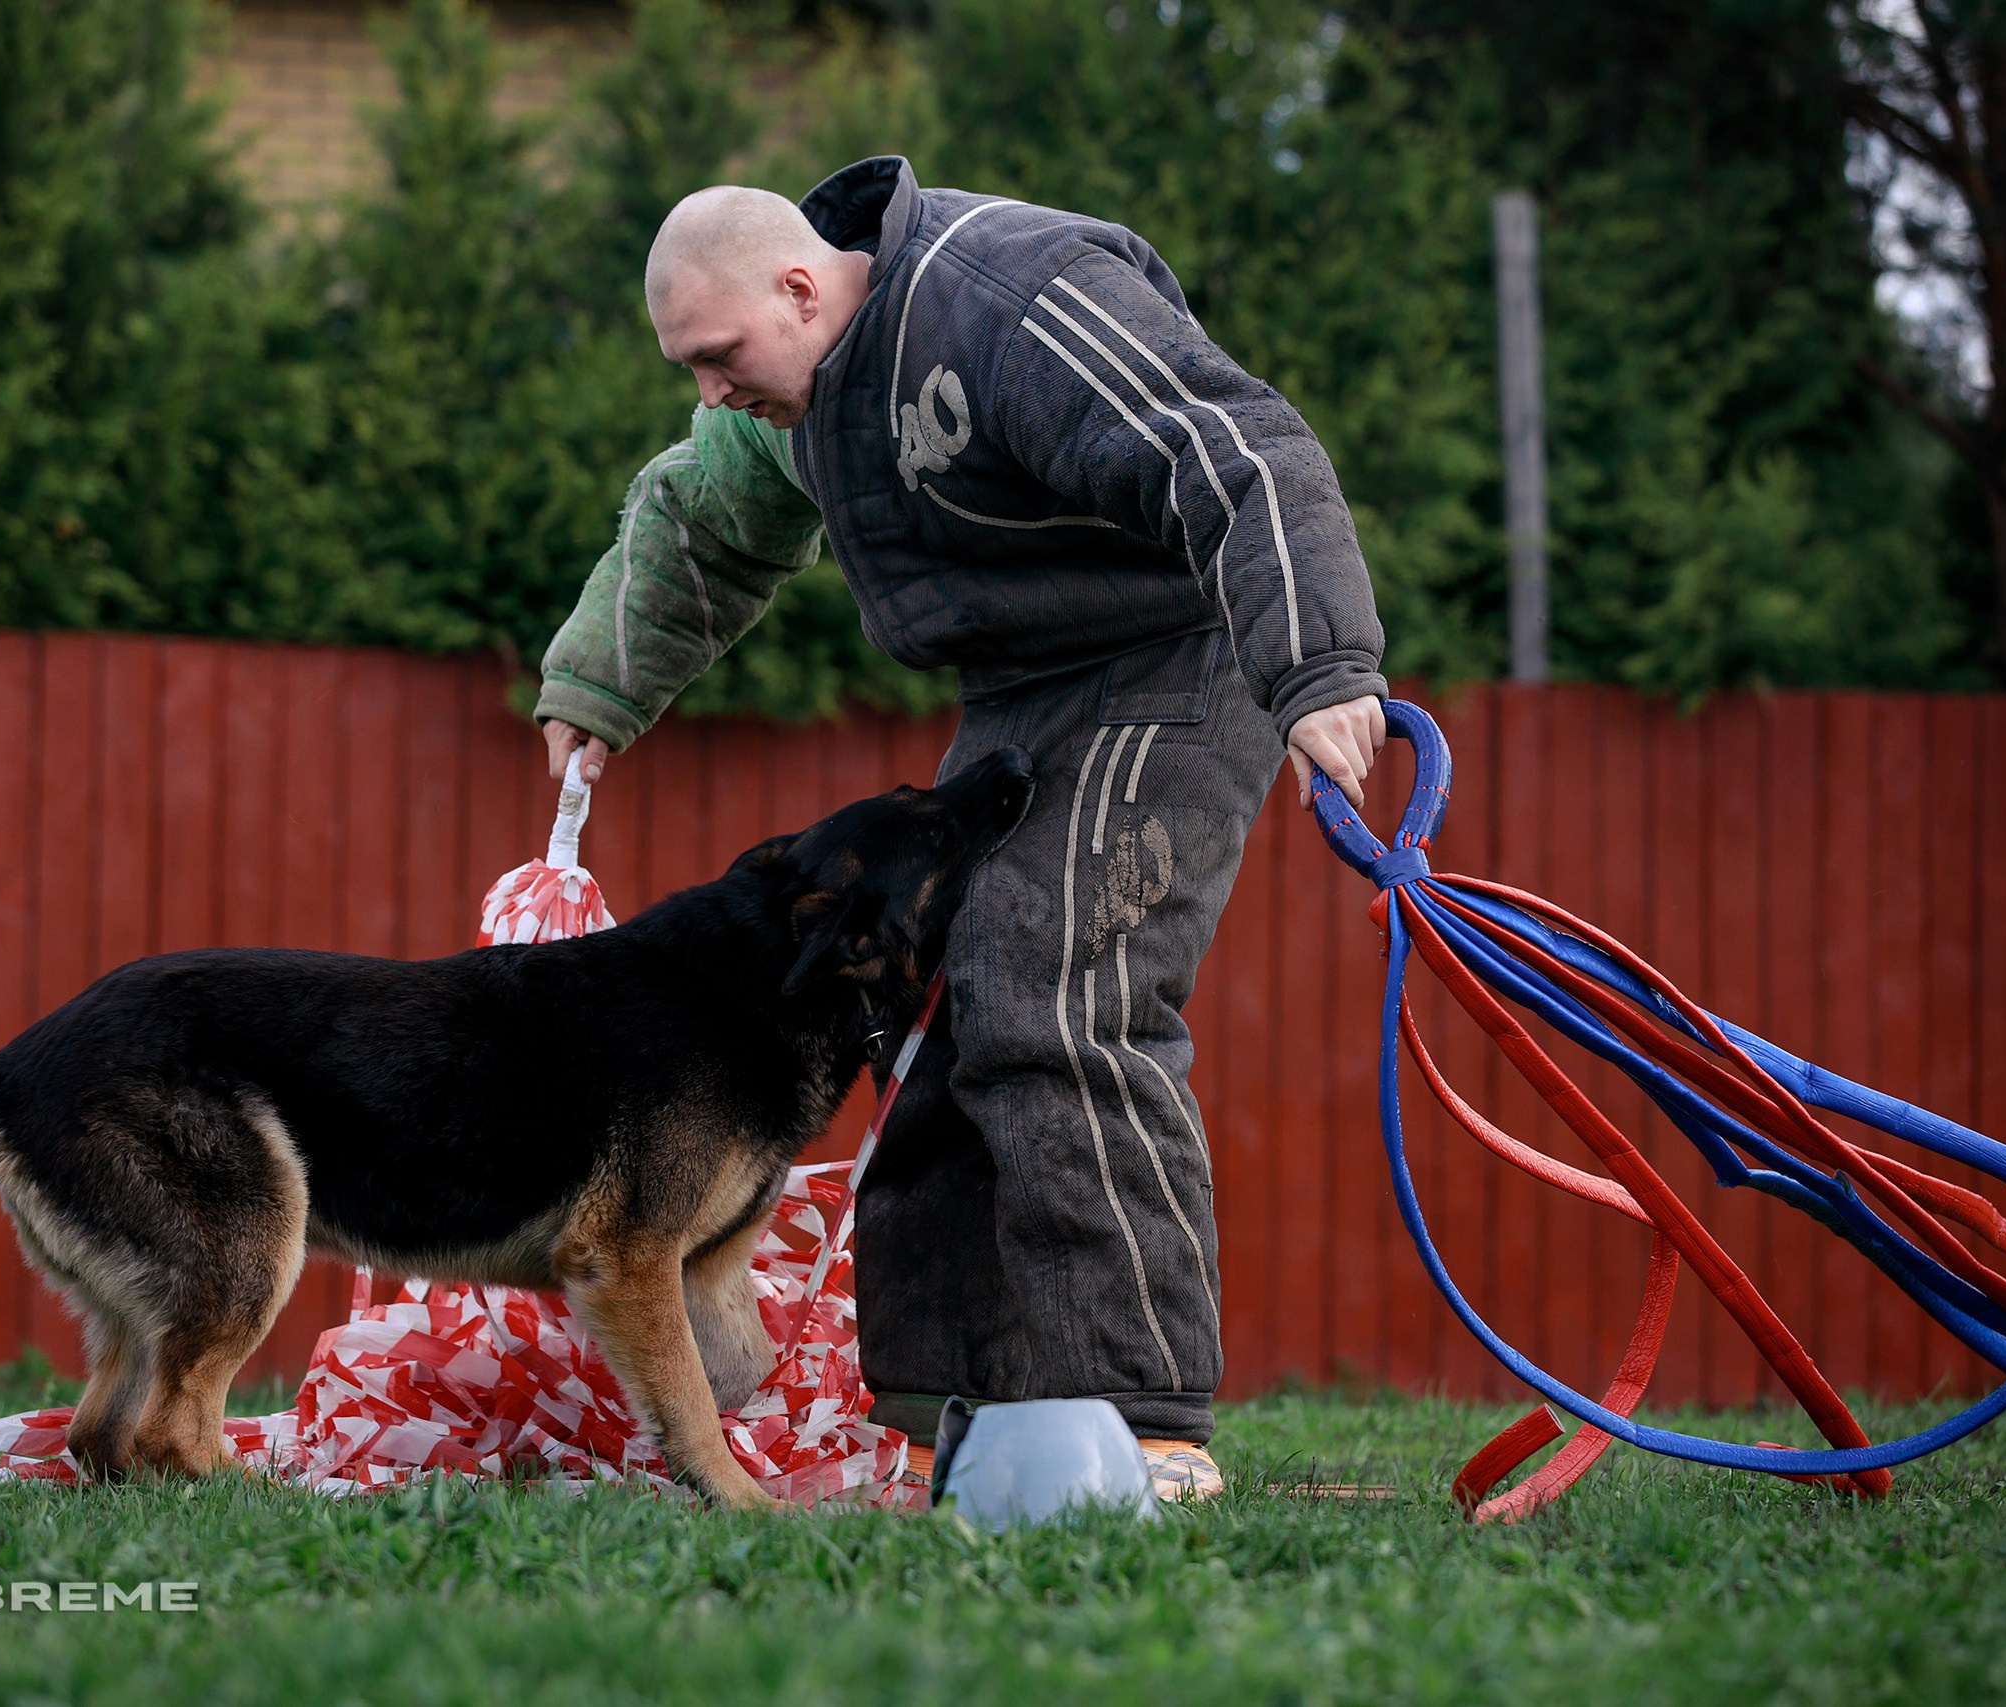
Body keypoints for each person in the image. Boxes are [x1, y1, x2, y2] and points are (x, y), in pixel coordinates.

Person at [534, 157, 1386, 1501]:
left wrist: (1321, 669)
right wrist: (597, 685)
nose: (708, 389)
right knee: (921, 1003)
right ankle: (955, 1425)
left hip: (1176, 662)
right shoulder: (789, 398)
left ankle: (1145, 1426)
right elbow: (699, 519)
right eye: (685, 366)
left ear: (802, 287)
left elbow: (1235, 443)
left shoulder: (1006, 295)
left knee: (1055, 993)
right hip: (1020, 695)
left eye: (717, 355)